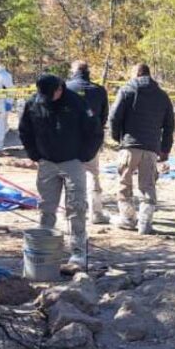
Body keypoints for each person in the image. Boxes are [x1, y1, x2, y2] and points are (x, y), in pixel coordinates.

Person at [18, 74, 101, 268]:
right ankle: (45, 250)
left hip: (73, 161)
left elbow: (95, 131)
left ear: (59, 89)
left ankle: (78, 252)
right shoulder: (34, 103)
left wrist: (84, 156)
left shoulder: (77, 103)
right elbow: (25, 130)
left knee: (76, 208)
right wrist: (35, 155)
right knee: (46, 208)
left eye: (50, 95)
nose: (46, 98)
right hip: (46, 162)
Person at [109, 63, 174, 234]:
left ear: (135, 74)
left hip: (129, 146)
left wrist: (117, 137)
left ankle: (128, 219)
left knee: (124, 184)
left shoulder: (126, 90)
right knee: (148, 186)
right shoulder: (162, 96)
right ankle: (145, 224)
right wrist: (165, 149)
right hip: (152, 148)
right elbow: (169, 125)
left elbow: (114, 117)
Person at [66, 60, 111, 225]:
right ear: (88, 72)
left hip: (69, 139)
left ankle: (73, 210)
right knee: (93, 174)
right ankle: (96, 212)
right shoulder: (99, 90)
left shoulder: (66, 88)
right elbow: (105, 115)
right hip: (92, 139)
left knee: (70, 175)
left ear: (74, 71)